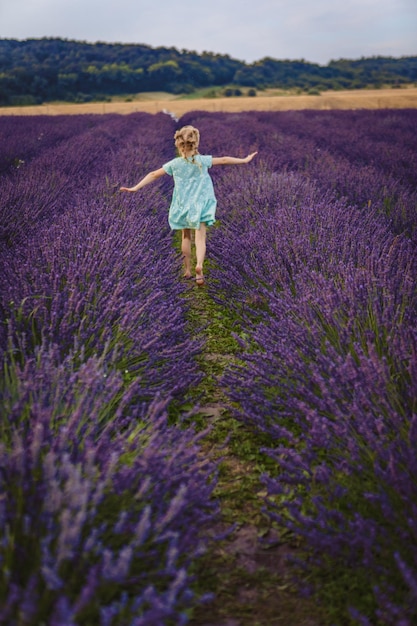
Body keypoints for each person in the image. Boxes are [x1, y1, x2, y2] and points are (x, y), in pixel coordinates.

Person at [120, 125, 257, 286]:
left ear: (178, 145)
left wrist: (135, 187)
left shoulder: (174, 163)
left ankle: (187, 270)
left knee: (186, 236)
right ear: (195, 143)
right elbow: (225, 159)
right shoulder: (202, 160)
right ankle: (200, 267)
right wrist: (245, 160)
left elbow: (153, 174)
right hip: (201, 204)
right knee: (200, 238)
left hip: (182, 204)